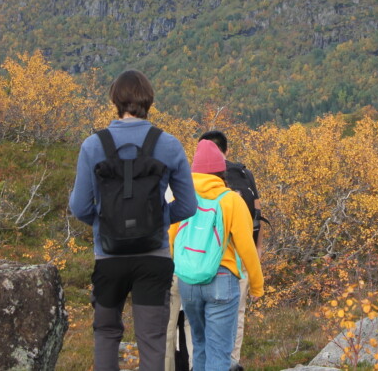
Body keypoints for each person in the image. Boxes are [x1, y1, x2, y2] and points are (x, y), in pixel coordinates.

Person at [69, 70, 197, 371]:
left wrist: (105, 225)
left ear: (115, 99)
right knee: (152, 339)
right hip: (153, 257)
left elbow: (79, 207)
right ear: (148, 100)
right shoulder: (168, 144)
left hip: (109, 256)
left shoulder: (93, 145)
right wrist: (160, 220)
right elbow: (189, 205)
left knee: (106, 333)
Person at [170, 139, 263, 371]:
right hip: (222, 279)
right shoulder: (231, 200)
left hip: (189, 280)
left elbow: (171, 240)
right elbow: (246, 247)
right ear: (222, 171)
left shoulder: (181, 197)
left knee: (199, 344)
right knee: (220, 352)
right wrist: (257, 284)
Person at [199, 130, 262, 371]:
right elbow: (257, 216)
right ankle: (231, 363)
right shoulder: (244, 174)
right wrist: (258, 251)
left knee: (199, 321)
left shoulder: (191, 180)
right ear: (226, 150)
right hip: (238, 261)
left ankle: (199, 364)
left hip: (199, 259)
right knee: (236, 316)